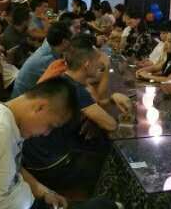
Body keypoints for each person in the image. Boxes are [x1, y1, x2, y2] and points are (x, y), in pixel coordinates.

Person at [0, 77, 120, 209]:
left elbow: (12, 166)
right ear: (40, 107)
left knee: (105, 205)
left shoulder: (12, 122)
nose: (46, 133)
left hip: (30, 200)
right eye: (50, 125)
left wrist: (43, 191)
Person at [23, 36, 131, 193]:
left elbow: (92, 105)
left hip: (33, 158)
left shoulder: (64, 79)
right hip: (49, 164)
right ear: (87, 64)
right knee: (110, 163)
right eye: (98, 63)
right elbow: (111, 125)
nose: (100, 67)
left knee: (96, 140)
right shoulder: (75, 89)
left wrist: (112, 99)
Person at [11, 22, 72, 98]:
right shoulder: (48, 59)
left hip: (27, 93)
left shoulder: (49, 43)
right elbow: (62, 82)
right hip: (23, 98)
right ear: (64, 42)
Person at [0, 4, 34, 68]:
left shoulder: (22, 29)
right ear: (24, 21)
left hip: (25, 58)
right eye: (30, 18)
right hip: (17, 66)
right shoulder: (11, 37)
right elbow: (18, 61)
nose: (31, 20)